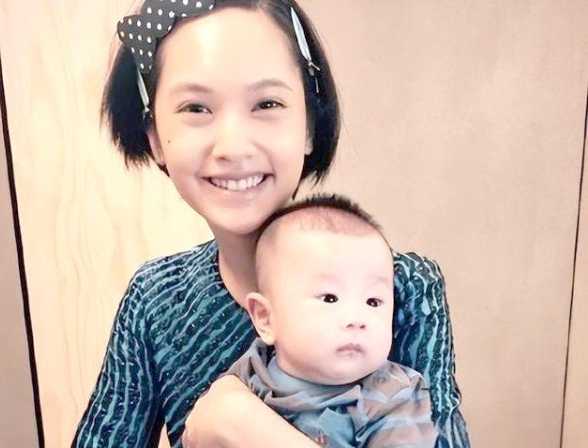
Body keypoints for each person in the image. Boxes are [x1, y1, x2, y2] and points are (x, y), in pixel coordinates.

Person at [71, 0, 469, 447]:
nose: (233, 146)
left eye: (267, 103)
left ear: (309, 127)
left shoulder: (402, 285)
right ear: (155, 140)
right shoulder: (157, 297)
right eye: (196, 108)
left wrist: (241, 425)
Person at [225, 194, 438, 447]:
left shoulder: (394, 396)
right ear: (265, 318)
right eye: (329, 298)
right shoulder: (250, 372)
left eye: (373, 302)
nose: (356, 319)